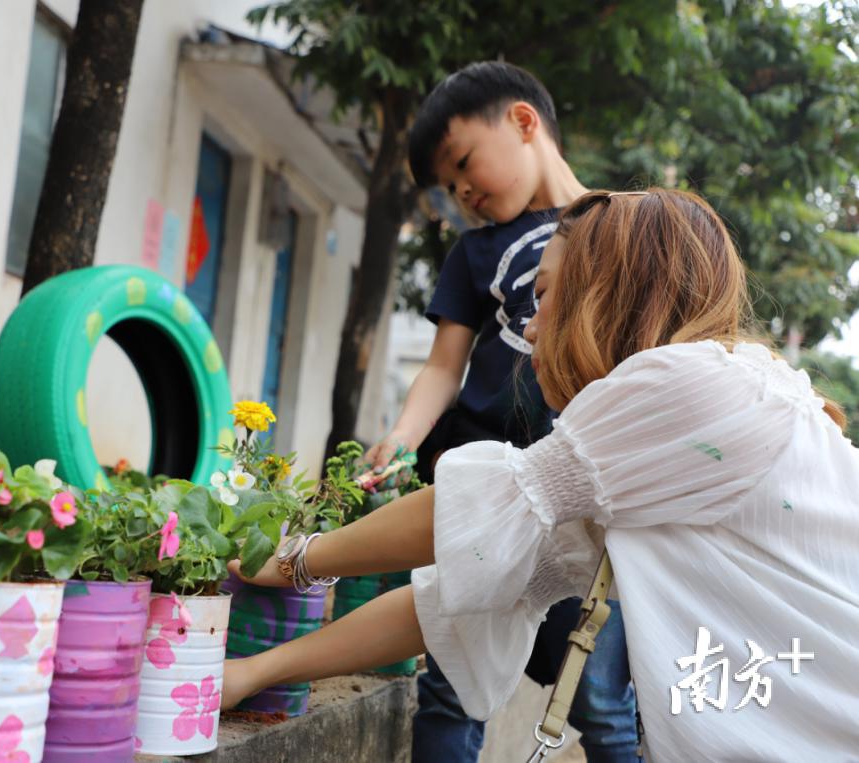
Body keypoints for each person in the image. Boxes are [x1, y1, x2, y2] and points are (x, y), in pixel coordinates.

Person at [223, 189, 859, 762]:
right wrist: (255, 673)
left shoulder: (701, 385)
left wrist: (292, 560)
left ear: (609, 288)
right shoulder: (666, 445)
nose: (529, 326)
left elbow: (472, 507)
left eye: (547, 292)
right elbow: (445, 598)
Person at [363, 61, 637, 762]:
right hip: (486, 485)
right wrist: (400, 437)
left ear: (522, 122)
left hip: (584, 505)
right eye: (450, 188)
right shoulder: (474, 251)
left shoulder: (629, 227)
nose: (463, 193)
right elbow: (442, 367)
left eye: (462, 164)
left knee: (601, 701)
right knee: (452, 676)